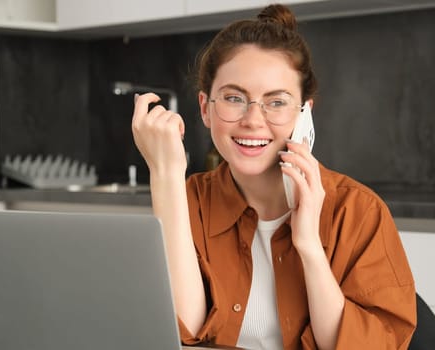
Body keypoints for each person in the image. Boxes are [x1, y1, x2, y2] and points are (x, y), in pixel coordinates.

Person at [131, 4, 416, 349]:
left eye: (276, 102)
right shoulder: (189, 200)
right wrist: (165, 174)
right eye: (235, 98)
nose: (253, 120)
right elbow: (182, 334)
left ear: (304, 113)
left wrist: (309, 245)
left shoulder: (358, 212)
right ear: (205, 108)